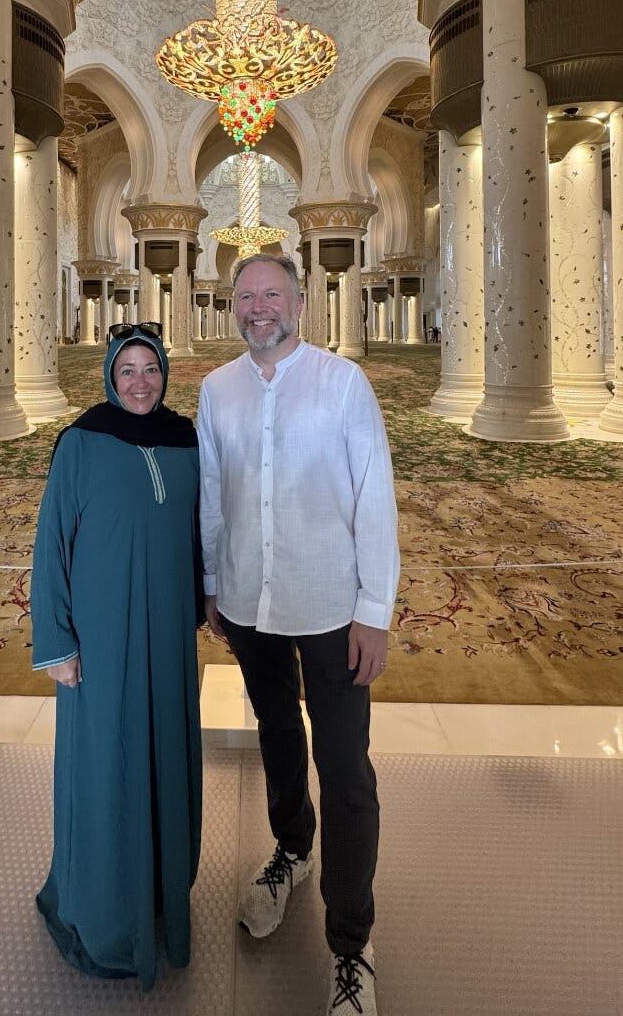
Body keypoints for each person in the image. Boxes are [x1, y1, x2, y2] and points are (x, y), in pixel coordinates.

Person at [197, 254, 399, 1016]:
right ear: (232, 307)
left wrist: (374, 608)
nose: (257, 308)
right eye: (245, 297)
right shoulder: (217, 391)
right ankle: (290, 849)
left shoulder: (342, 383)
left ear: (299, 301)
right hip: (251, 602)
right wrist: (215, 583)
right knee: (278, 733)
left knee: (344, 765)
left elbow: (373, 494)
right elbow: (214, 496)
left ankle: (352, 943)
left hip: (331, 607)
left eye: (270, 294)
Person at [30, 322, 202, 991]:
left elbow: (196, 533)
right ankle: (101, 916)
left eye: (151, 370)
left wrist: (203, 603)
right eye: (127, 370)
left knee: (164, 756)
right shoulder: (81, 442)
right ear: (109, 375)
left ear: (165, 373)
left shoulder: (184, 440)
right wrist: (59, 644)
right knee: (107, 767)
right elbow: (52, 547)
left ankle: (159, 897)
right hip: (98, 644)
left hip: (167, 639)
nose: (140, 382)